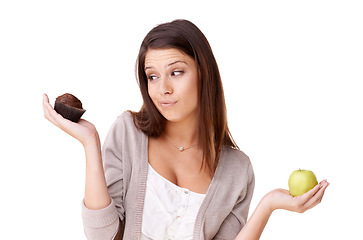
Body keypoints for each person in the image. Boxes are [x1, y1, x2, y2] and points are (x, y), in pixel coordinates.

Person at [43, 19, 329, 240]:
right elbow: (102, 235)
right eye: (152, 76)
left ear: (203, 72)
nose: (163, 89)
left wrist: (268, 205)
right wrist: (90, 143)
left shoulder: (237, 170)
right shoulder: (128, 133)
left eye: (176, 72)